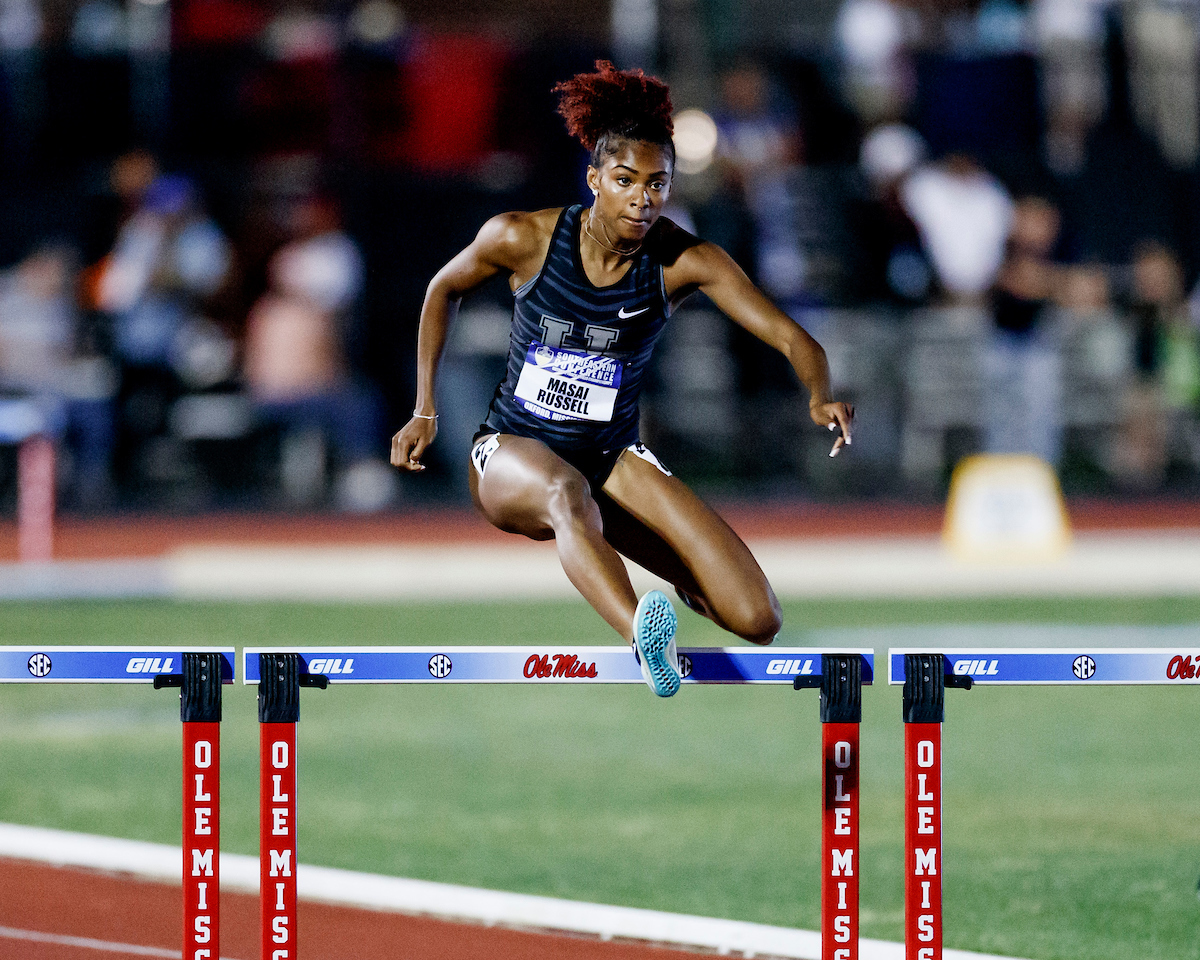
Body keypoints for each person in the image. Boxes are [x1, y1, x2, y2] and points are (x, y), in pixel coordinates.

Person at [390, 62, 854, 698]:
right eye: (626, 180)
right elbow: (442, 288)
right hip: (512, 452)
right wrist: (425, 408)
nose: (643, 197)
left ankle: (650, 599)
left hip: (610, 459)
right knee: (562, 492)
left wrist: (819, 392)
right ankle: (642, 634)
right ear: (595, 181)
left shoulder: (684, 260)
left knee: (756, 617)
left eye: (658, 183)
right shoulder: (522, 236)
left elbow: (790, 336)